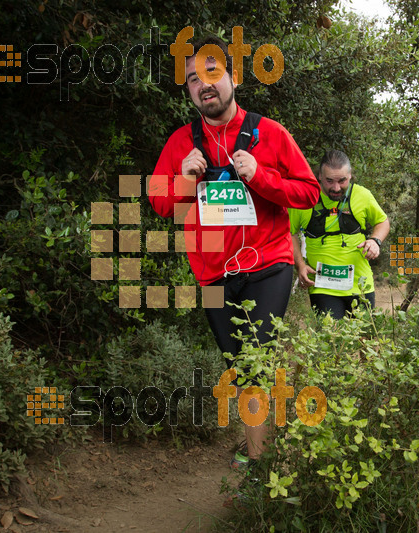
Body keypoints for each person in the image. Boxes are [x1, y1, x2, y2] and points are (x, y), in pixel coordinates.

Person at [148, 36, 319, 470]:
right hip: (212, 274)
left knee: (256, 358)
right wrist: (185, 179)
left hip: (269, 262)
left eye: (211, 73)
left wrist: (260, 176)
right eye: (191, 80)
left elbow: (309, 194)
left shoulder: (271, 133)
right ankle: (261, 440)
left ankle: (260, 469)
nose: (203, 85)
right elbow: (158, 201)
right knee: (242, 368)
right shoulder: (179, 143)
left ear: (233, 77)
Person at [289, 150, 390, 319]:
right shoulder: (305, 198)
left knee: (363, 342)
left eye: (342, 181)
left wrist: (375, 241)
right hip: (322, 286)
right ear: (319, 176)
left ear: (350, 176)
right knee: (332, 340)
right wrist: (300, 264)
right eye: (329, 181)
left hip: (361, 285)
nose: (336, 188)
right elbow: (290, 232)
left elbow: (382, 221)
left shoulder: (362, 195)